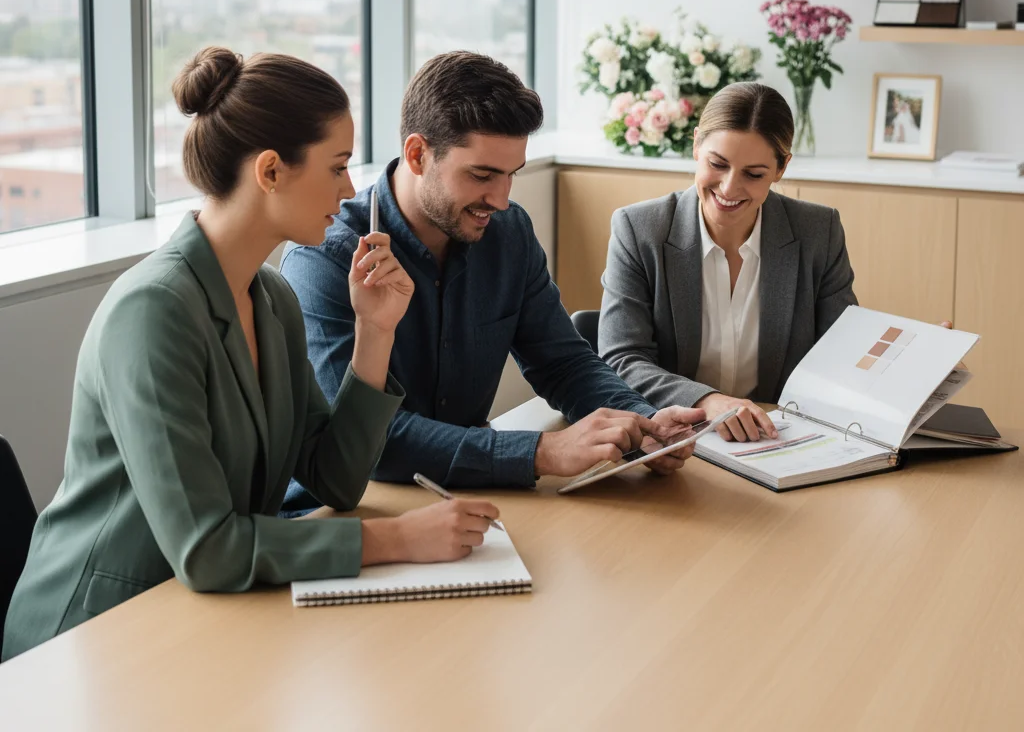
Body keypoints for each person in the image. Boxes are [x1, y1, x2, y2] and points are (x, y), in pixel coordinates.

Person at [2, 48, 499, 661]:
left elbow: (336, 481)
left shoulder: (271, 298)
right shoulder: (152, 312)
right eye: (337, 166)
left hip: (205, 616)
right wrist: (395, 539)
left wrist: (376, 332)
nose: (349, 190)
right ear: (270, 171)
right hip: (91, 638)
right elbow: (207, 548)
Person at [281, 51, 703, 506]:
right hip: (350, 511)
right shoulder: (324, 257)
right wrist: (541, 451)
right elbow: (371, 442)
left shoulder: (508, 233)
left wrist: (643, 423)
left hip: (466, 499)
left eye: (510, 175)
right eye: (482, 175)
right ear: (418, 154)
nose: (501, 200)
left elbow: (561, 361)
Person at [598, 82, 857, 444]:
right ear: (695, 146)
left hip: (777, 442)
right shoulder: (639, 230)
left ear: (781, 168)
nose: (730, 188)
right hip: (678, 444)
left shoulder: (818, 231)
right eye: (717, 164)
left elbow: (843, 351)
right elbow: (622, 359)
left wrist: (915, 367)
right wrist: (708, 401)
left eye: (754, 174)